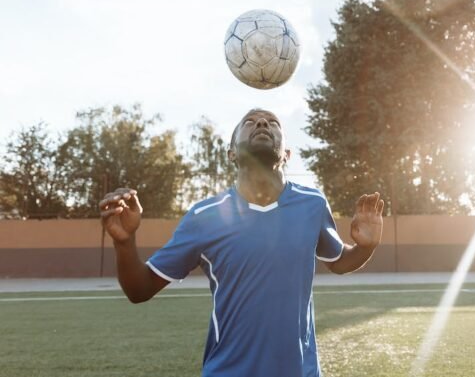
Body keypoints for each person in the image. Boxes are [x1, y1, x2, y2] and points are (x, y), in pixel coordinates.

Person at [99, 108, 384, 376]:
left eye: (273, 122)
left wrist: (365, 247)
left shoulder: (313, 204)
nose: (262, 123)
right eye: (250, 122)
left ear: (287, 154)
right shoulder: (205, 216)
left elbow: (339, 262)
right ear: (232, 153)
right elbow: (140, 289)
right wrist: (125, 243)